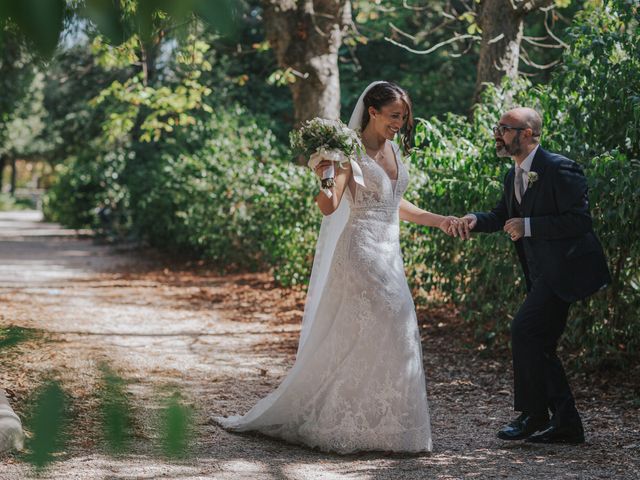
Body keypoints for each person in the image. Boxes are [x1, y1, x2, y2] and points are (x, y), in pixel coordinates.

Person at [215, 81, 458, 453]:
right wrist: (326, 175)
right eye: (395, 115)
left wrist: (440, 220)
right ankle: (345, 419)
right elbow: (329, 206)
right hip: (360, 248)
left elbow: (395, 204)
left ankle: (382, 423)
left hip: (389, 251)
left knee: (383, 330)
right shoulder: (348, 154)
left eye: (404, 117)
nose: (400, 123)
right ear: (372, 111)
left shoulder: (393, 149)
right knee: (396, 317)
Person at [452, 107, 611, 444]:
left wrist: (529, 227)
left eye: (504, 128)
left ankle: (534, 414)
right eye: (497, 127)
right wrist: (474, 220)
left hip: (566, 270)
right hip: (541, 273)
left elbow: (580, 222)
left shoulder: (560, 168)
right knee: (539, 343)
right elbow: (502, 214)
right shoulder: (513, 175)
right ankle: (566, 423)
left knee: (524, 330)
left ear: (527, 133)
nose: (497, 133)